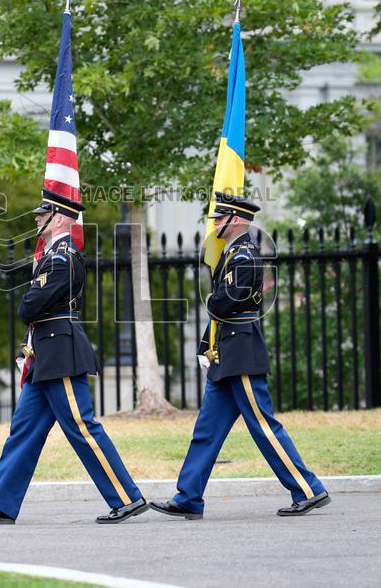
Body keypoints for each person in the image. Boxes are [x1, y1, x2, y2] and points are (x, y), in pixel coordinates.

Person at [0, 189, 147, 524]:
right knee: (24, 430)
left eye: (41, 213)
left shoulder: (61, 257)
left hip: (60, 352)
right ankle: (2, 502)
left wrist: (28, 302)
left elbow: (29, 306)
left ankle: (127, 498)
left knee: (81, 427)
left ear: (58, 217)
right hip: (45, 354)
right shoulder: (53, 255)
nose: (35, 218)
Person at [150, 192, 331, 519]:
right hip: (226, 355)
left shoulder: (244, 256)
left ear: (236, 219)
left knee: (263, 426)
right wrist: (207, 342)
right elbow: (219, 307)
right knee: (206, 430)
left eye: (220, 218)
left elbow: (223, 302)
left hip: (242, 352)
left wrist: (214, 301)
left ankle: (308, 489)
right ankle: (188, 496)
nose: (215, 222)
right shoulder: (232, 255)